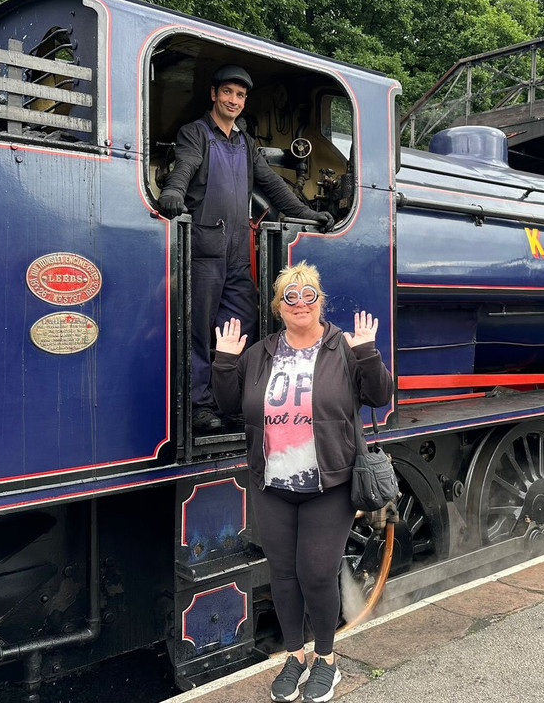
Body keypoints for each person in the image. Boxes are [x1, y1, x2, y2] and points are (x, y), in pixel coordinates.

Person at [211, 262, 393, 703]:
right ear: (279, 307)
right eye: (290, 297)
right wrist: (225, 361)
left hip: (329, 482)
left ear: (319, 301)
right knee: (283, 574)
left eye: (308, 294)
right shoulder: (261, 353)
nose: (300, 303)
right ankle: (294, 656)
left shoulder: (343, 347)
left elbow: (379, 396)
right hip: (272, 482)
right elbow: (229, 404)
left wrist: (368, 353)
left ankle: (326, 661)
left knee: (316, 573)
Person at [158, 65, 333, 435]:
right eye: (227, 92)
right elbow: (185, 165)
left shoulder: (245, 142)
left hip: (237, 251)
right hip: (204, 247)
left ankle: (232, 400)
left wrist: (306, 214)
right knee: (198, 330)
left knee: (242, 324)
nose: (233, 100)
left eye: (240, 95)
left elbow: (271, 183)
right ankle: (198, 406)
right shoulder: (196, 133)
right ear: (214, 94)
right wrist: (173, 190)